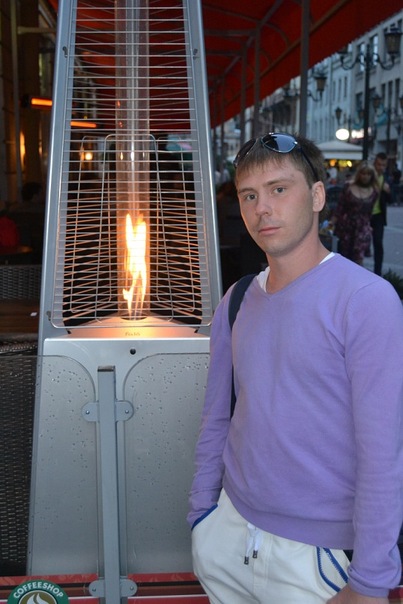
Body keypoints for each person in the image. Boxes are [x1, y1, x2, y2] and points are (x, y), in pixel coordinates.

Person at [188, 132, 403, 603]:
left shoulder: (366, 301)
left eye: (279, 189)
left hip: (317, 556)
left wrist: (370, 580)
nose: (262, 208)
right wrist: (203, 515)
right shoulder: (236, 299)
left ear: (318, 196)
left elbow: (383, 453)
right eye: (249, 195)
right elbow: (216, 416)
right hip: (228, 534)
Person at [333, 161, 379, 266]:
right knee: (345, 256)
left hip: (362, 227)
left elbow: (370, 211)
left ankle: (357, 276)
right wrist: (332, 223)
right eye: (363, 173)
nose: (365, 176)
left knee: (359, 255)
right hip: (347, 226)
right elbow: (340, 207)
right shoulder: (348, 187)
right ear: (359, 174)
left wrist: (369, 226)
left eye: (368, 174)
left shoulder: (374, 192)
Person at [371, 152, 391, 276]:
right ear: (375, 163)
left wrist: (387, 191)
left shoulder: (386, 178)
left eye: (383, 165)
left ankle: (377, 273)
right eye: (379, 164)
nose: (381, 167)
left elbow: (390, 200)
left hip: (378, 215)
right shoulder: (368, 175)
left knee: (378, 243)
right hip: (365, 215)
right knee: (361, 244)